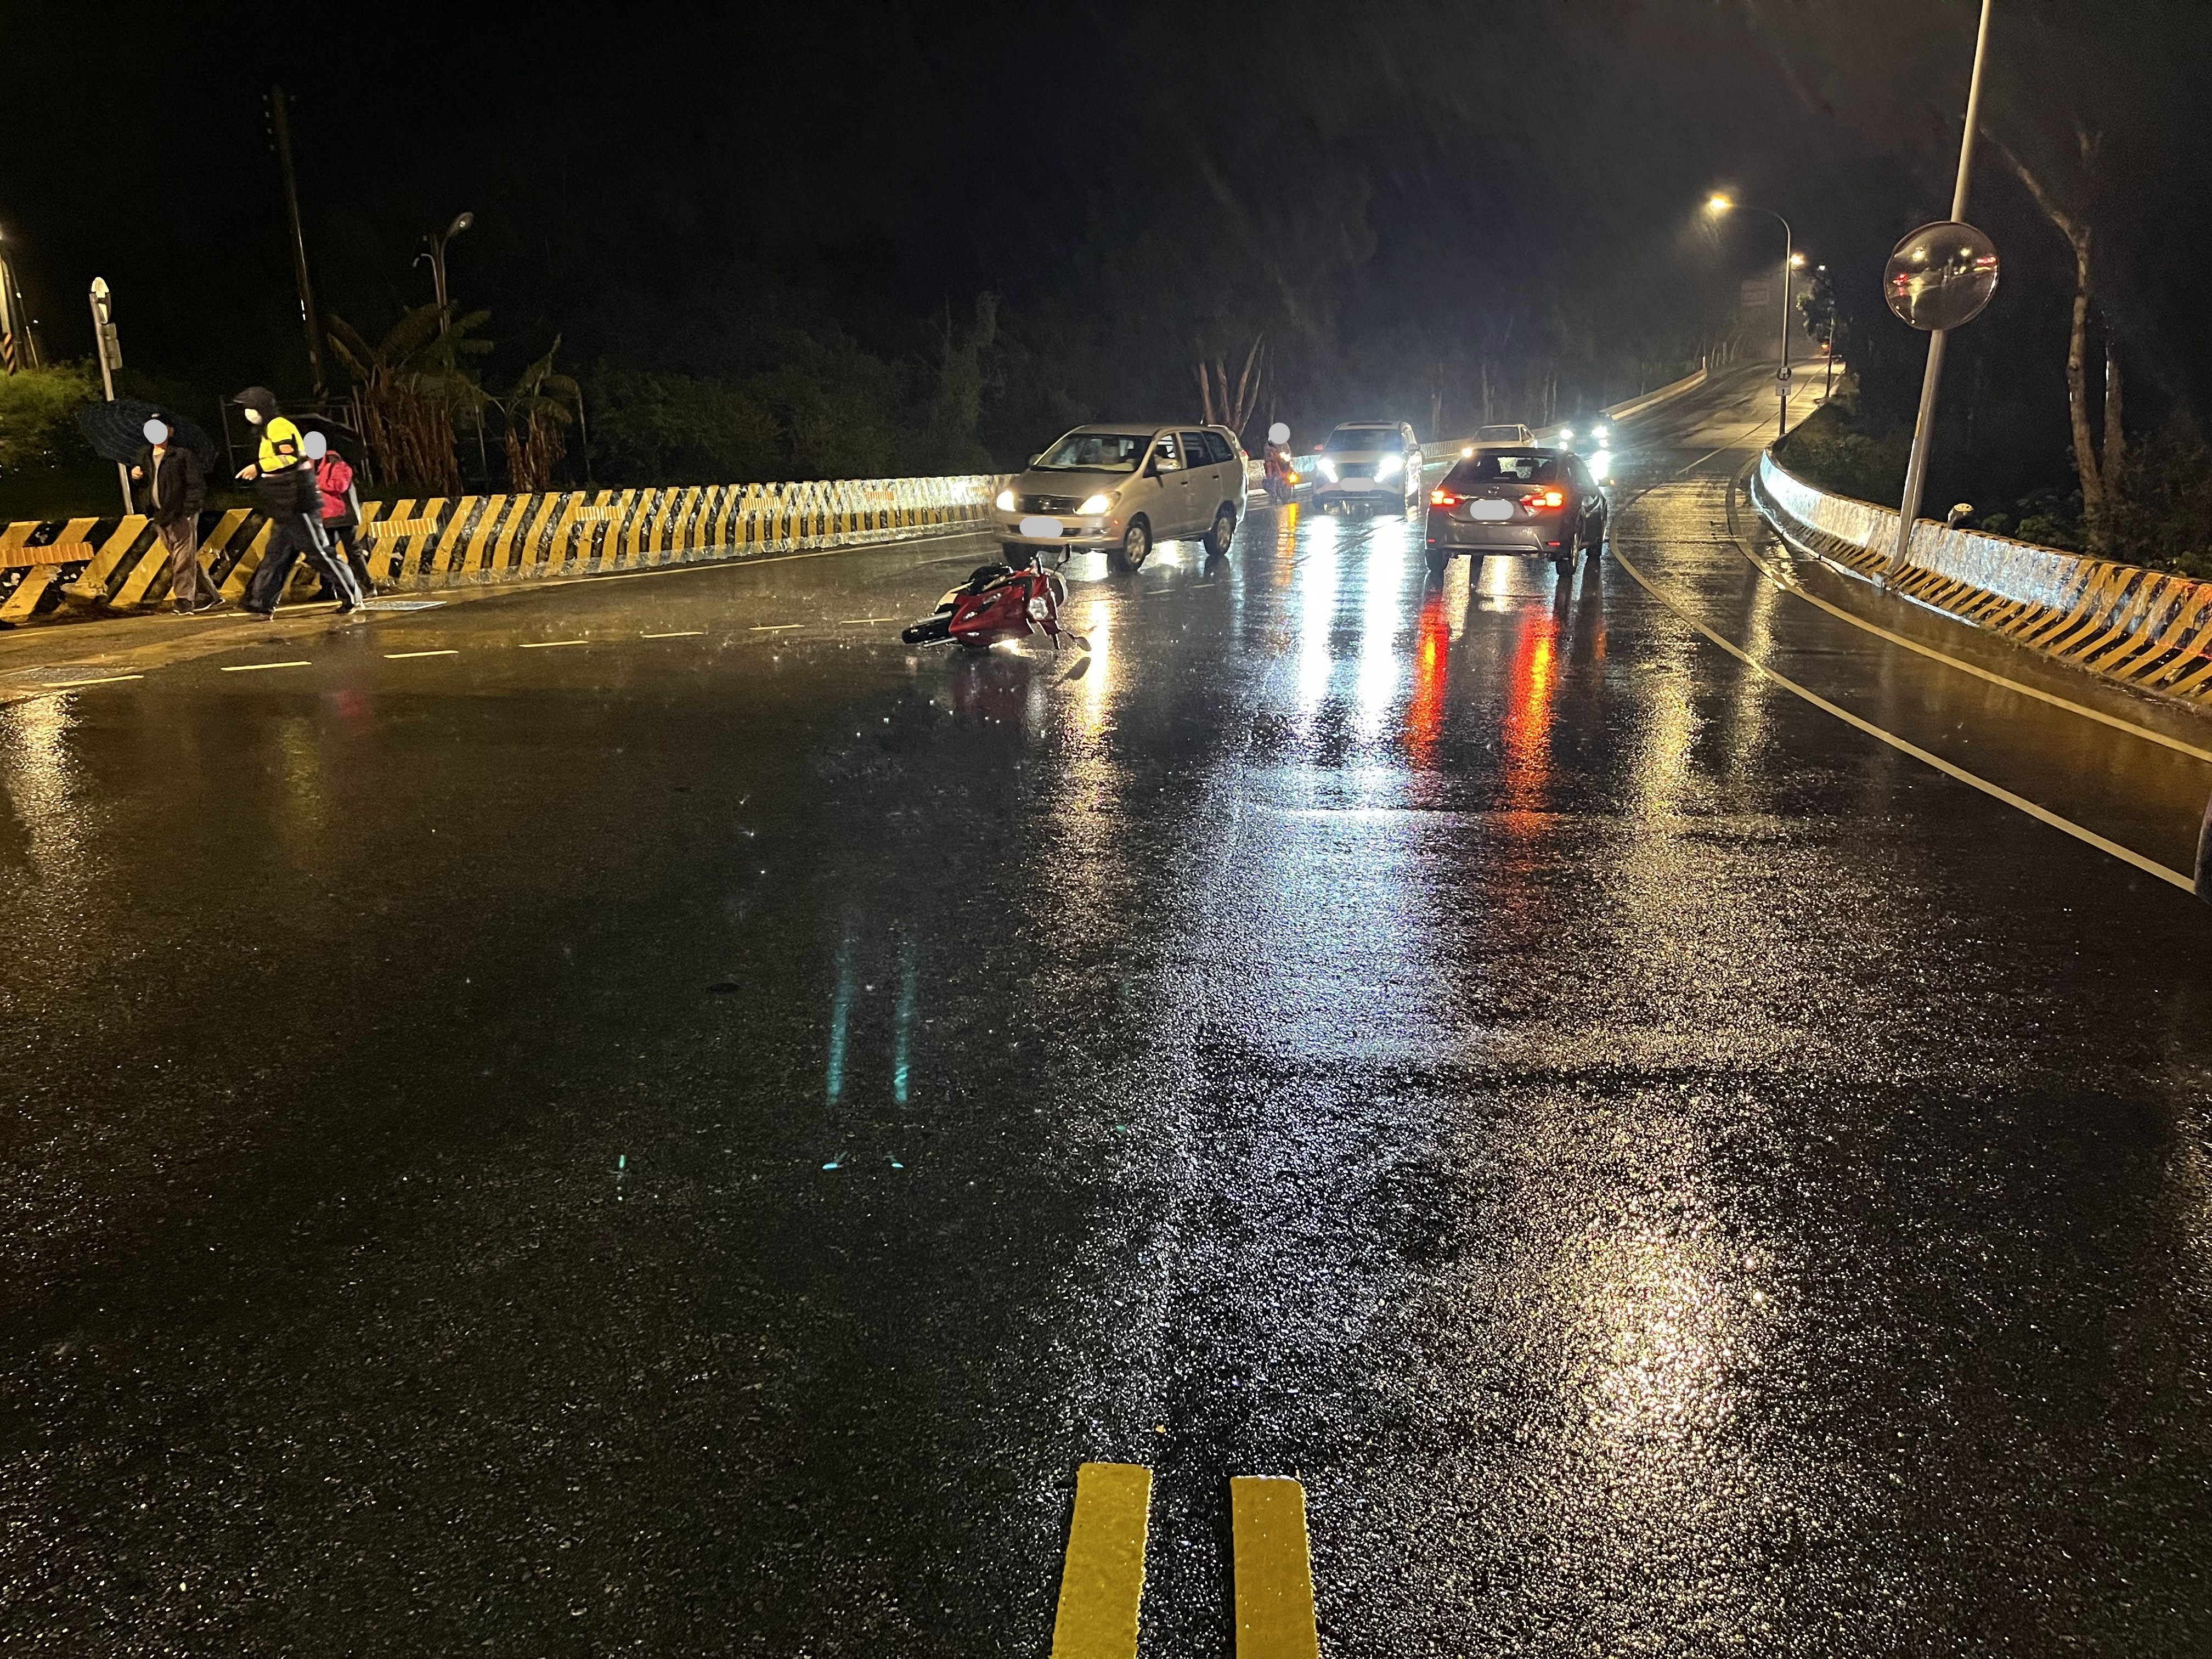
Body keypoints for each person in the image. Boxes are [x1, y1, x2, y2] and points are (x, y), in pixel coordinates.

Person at [232, 387, 360, 616]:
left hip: (298, 501)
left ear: (261, 407)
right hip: (284, 503)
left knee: (318, 553)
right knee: (276, 555)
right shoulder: (267, 430)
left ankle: (352, 596)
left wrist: (259, 467)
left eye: (249, 408)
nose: (246, 413)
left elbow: (289, 457)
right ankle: (261, 604)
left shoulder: (279, 427)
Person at [131, 416, 220, 613]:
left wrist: (189, 511)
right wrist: (136, 476)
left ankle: (184, 599)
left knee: (181, 556)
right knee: (182, 556)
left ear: (170, 431)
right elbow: (145, 485)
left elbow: (196, 485)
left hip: (181, 513)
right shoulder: (144, 457)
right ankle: (211, 595)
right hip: (159, 514)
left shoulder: (182, 455)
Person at [304, 430, 376, 601]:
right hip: (324, 516)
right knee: (326, 553)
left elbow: (339, 485)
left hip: (343, 515)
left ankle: (368, 586)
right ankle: (328, 589)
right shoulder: (311, 463)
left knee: (353, 551)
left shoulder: (337, 463)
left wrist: (316, 481)